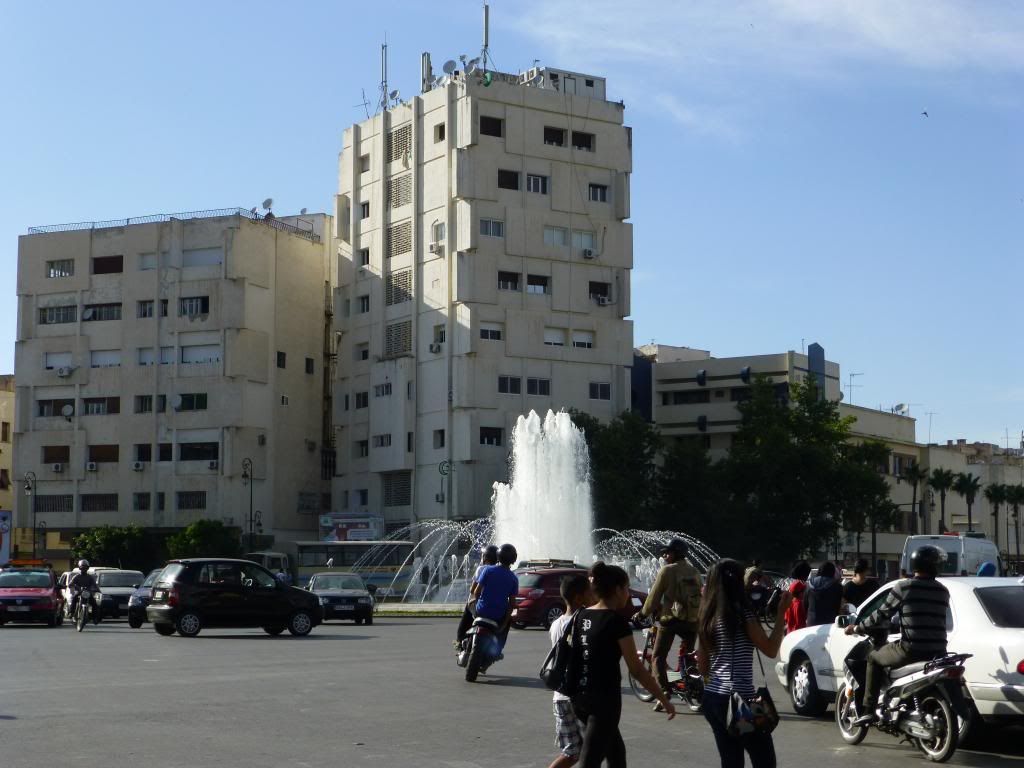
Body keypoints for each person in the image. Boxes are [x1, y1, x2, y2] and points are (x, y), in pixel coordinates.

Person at [572, 562, 674, 768]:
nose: (628, 593)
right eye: (626, 588)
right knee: (589, 761)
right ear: (617, 589)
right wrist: (663, 697)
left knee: (616, 755)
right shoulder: (615, 622)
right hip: (603, 701)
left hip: (579, 697)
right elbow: (637, 670)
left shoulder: (581, 616)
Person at [697, 559, 792, 768]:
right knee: (764, 759)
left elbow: (702, 665)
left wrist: (715, 683)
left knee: (731, 761)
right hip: (740, 702)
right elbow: (770, 649)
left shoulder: (706, 616)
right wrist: (781, 614)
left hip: (713, 699)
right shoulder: (742, 614)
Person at [844, 545, 950, 725]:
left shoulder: (904, 587)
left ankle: (868, 710)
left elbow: (880, 614)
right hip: (939, 651)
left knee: (873, 658)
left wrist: (857, 628)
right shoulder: (943, 590)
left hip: (910, 649)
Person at [632, 538, 702, 710]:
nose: (664, 556)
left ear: (675, 553)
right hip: (693, 621)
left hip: (671, 620)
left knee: (658, 657)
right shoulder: (694, 571)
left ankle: (664, 692)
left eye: (667, 552)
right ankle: (689, 682)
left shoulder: (667, 571)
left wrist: (641, 615)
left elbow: (653, 598)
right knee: (687, 656)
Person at [547, 573, 594, 768]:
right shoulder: (585, 622)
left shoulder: (556, 624)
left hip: (560, 695)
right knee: (593, 751)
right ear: (578, 597)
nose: (593, 595)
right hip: (579, 696)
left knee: (572, 753)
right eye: (589, 592)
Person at [473, 543, 520, 651]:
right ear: (513, 560)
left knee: (468, 610)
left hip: (481, 610)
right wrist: (515, 607)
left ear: (498, 556)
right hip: (498, 616)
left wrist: (477, 605)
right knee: (508, 621)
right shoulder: (513, 579)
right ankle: (498, 648)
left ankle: (461, 639)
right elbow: (512, 604)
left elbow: (476, 592)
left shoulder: (487, 570)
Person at [454, 544, 499, 646]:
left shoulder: (481, 569)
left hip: (480, 606)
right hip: (495, 609)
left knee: (466, 616)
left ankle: (459, 640)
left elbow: (473, 590)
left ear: (485, 557)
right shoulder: (501, 571)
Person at [805, 561, 842, 626]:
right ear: (832, 572)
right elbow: (838, 606)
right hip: (829, 621)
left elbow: (805, 604)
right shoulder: (837, 586)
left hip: (811, 621)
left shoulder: (809, 584)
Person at [68, 559, 100, 624]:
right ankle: (71, 613)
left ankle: (95, 618)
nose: (84, 569)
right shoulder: (76, 576)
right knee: (74, 599)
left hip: (87, 593)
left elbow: (95, 585)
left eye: (85, 568)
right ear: (80, 568)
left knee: (94, 604)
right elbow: (70, 584)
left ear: (87, 568)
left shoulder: (90, 577)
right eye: (82, 568)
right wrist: (72, 585)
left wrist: (97, 590)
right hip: (79, 592)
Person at [783, 561, 810, 633]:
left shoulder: (791, 601)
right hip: (798, 633)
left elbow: (786, 619)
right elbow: (800, 624)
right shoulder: (799, 604)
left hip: (790, 632)